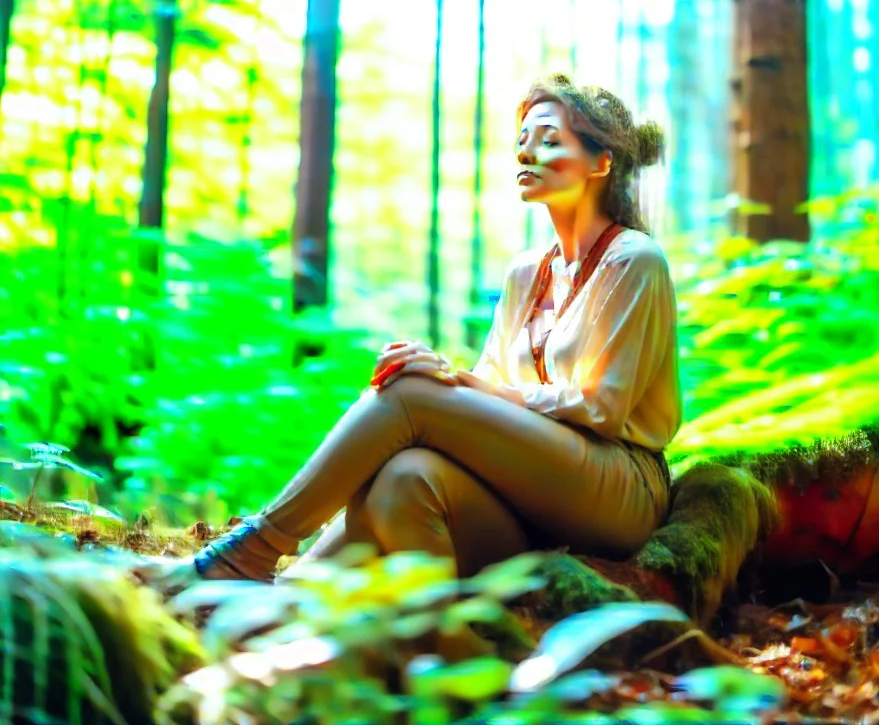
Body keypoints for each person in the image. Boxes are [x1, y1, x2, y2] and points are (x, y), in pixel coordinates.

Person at [182, 73, 682, 584]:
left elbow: (602, 407)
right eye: (522, 141)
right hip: (531, 497)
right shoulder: (526, 272)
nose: (526, 154)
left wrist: (454, 384)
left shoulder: (633, 260)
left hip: (619, 489)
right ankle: (289, 594)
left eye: (549, 141)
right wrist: (460, 386)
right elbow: (490, 386)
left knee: (413, 390)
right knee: (405, 476)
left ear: (602, 163)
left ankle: (250, 551)